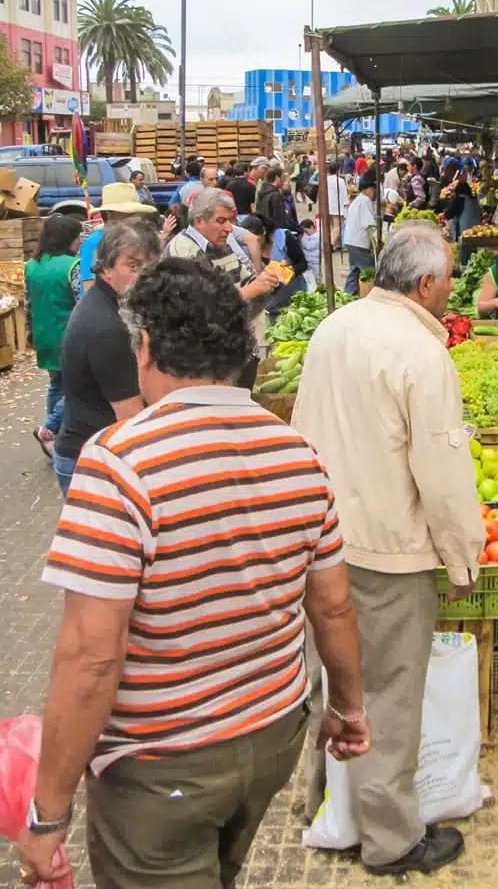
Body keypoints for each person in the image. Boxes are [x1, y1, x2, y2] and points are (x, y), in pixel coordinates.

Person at [17, 258, 369, 889]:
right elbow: (334, 608)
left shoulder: (119, 463)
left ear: (145, 346)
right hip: (271, 734)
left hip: (161, 765)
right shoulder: (297, 451)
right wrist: (347, 706)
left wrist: (48, 813)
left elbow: (91, 658)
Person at [293, 224, 485, 876]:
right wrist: (462, 556)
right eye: (450, 277)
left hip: (321, 544)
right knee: (391, 696)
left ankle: (325, 804)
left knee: (333, 680)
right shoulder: (422, 354)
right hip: (387, 550)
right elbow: (442, 470)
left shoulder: (335, 327)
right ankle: (391, 839)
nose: (453, 287)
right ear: (426, 284)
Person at [53, 221, 160, 495]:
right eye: (133, 266)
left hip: (93, 448)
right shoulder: (106, 329)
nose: (143, 276)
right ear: (105, 269)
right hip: (89, 459)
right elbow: (130, 419)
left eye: (148, 267)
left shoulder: (112, 306)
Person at [164, 188, 279, 388]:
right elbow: (201, 305)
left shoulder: (221, 245)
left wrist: (268, 281)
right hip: (204, 364)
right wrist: (249, 291)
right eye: (221, 221)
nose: (229, 228)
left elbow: (247, 280)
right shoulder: (183, 249)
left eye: (230, 220)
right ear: (199, 220)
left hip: (232, 353)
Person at [25, 215, 82, 458]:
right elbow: (81, 304)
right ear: (68, 239)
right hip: (68, 336)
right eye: (78, 236)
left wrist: (29, 330)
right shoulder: (73, 266)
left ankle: (54, 435)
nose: (81, 241)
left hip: (43, 335)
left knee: (56, 385)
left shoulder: (31, 265)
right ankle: (49, 429)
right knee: (78, 388)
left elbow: (27, 303)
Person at [80, 183, 159, 294]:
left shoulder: (136, 240)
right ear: (109, 215)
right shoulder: (93, 244)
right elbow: (89, 288)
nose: (136, 219)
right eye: (129, 214)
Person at [343, 170, 378, 295]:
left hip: (351, 241)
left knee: (354, 270)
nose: (375, 194)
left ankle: (348, 293)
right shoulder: (365, 201)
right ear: (368, 189)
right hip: (359, 243)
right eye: (374, 190)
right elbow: (370, 226)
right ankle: (370, 296)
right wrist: (378, 242)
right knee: (369, 271)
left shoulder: (358, 200)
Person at [442, 171, 481, 241]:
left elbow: (448, 215)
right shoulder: (474, 199)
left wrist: (445, 211)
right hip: (477, 230)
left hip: (464, 230)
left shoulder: (459, 199)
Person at [325, 162, 350, 252]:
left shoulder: (325, 180)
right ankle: (330, 244)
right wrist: (346, 205)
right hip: (337, 206)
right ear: (338, 170)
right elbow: (344, 194)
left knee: (332, 226)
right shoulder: (340, 181)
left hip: (327, 205)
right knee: (337, 227)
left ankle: (336, 244)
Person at [299, 218, 321, 285]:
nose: (305, 233)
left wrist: (302, 239)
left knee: (316, 279)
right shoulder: (307, 236)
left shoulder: (318, 236)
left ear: (312, 227)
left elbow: (309, 246)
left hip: (315, 262)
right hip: (308, 262)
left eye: (306, 231)